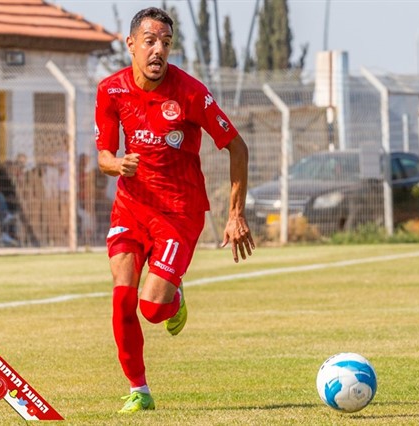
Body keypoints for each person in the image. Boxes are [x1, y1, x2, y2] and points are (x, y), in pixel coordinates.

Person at [95, 7, 255, 413]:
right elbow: (104, 156)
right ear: (131, 44)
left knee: (151, 309)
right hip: (131, 207)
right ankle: (139, 390)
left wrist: (235, 214)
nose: (158, 50)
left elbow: (237, 147)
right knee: (122, 297)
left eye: (165, 43)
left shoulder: (190, 93)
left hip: (179, 213)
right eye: (150, 41)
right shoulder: (111, 91)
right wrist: (117, 164)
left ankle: (173, 294)